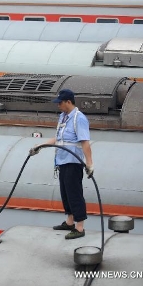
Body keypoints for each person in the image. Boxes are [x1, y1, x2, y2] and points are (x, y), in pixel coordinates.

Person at [30, 89, 94, 240]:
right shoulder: (63, 117)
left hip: (73, 162)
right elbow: (58, 139)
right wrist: (40, 146)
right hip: (62, 161)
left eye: (60, 103)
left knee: (74, 194)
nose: (58, 105)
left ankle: (79, 227)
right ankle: (69, 222)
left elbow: (85, 142)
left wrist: (90, 163)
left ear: (68, 102)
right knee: (65, 193)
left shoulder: (79, 118)